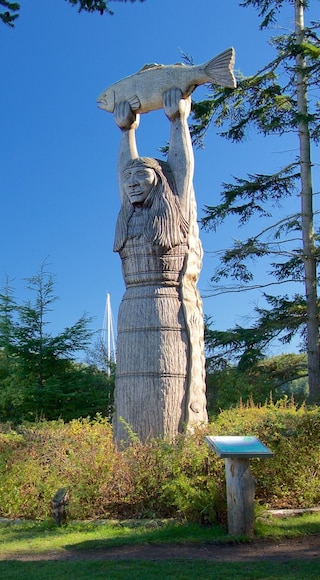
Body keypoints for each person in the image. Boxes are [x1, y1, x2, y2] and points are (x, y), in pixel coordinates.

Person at [111, 87, 208, 443]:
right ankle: (129, 463)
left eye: (142, 177)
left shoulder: (175, 207)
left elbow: (182, 166)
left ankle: (168, 455)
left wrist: (178, 121)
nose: (133, 184)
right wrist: (127, 131)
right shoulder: (128, 212)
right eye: (129, 180)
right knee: (131, 395)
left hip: (169, 306)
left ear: (159, 181)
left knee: (170, 391)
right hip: (131, 307)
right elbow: (123, 170)